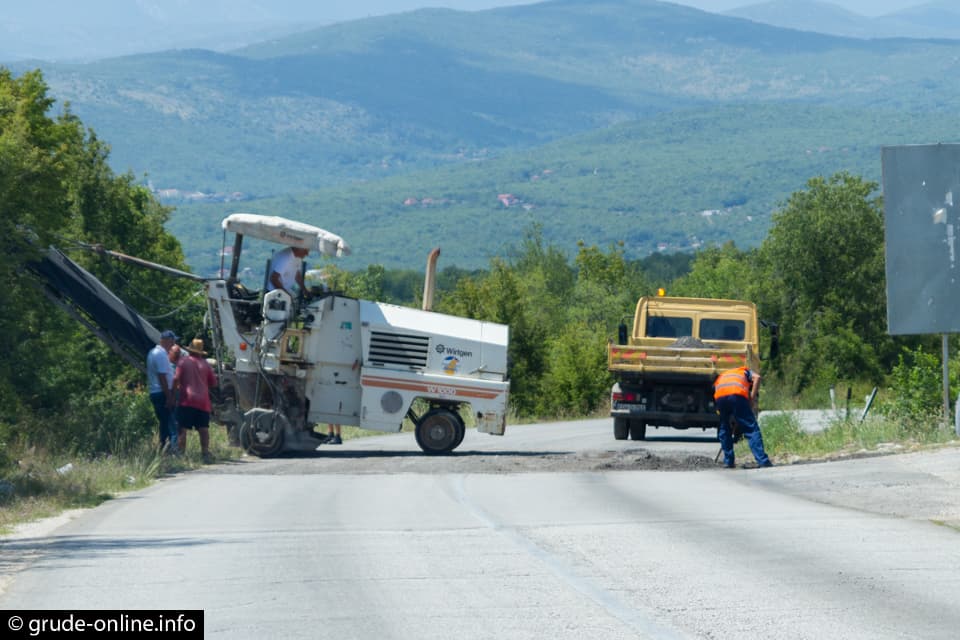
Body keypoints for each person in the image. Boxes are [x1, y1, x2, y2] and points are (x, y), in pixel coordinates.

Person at [714, 365, 772, 469]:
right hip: (737, 395)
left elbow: (716, 390)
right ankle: (762, 460)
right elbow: (757, 378)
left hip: (720, 397)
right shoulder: (745, 371)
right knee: (751, 428)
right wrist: (752, 399)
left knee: (724, 428)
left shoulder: (724, 375)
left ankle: (728, 461)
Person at [174, 338, 218, 463]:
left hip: (187, 399)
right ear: (200, 351)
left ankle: (181, 455)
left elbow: (176, 378)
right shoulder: (205, 364)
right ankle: (205, 453)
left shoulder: (183, 361)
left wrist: (173, 391)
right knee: (203, 428)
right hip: (203, 401)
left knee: (182, 428)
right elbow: (214, 383)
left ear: (190, 349)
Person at [146, 329, 178, 453]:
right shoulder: (160, 354)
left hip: (157, 392)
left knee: (164, 423)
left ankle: (163, 449)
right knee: (172, 424)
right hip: (162, 393)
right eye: (173, 340)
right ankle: (173, 452)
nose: (174, 343)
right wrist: (169, 397)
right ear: (166, 340)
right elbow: (162, 376)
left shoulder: (154, 352)